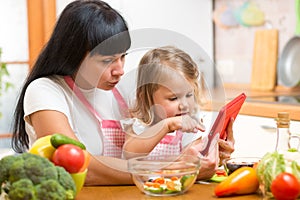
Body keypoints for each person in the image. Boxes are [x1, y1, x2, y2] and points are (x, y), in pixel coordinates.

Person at [11, 0, 234, 186]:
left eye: (123, 56)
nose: (120, 70)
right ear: (74, 54)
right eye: (107, 61)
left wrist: (205, 151)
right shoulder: (45, 91)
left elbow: (165, 140)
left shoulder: (124, 91)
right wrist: (178, 168)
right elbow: (78, 166)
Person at [122, 46, 228, 179]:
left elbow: (192, 162)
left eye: (189, 95)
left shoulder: (189, 126)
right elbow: (129, 154)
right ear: (145, 98)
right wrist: (166, 125)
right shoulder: (139, 124)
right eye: (173, 98)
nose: (184, 105)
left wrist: (214, 150)